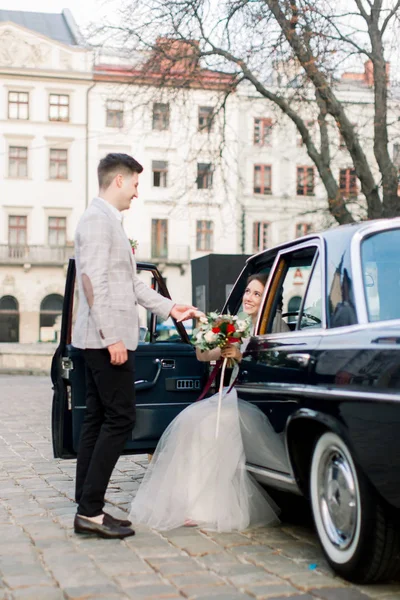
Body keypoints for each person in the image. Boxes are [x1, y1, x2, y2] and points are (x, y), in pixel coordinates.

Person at [72, 153, 197, 539]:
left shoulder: (109, 220)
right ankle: (90, 511)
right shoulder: (97, 220)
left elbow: (131, 285)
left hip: (99, 339)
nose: (138, 193)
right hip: (106, 339)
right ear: (120, 181)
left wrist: (171, 307)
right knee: (120, 418)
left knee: (97, 418)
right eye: (137, 184)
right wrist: (113, 337)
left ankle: (86, 506)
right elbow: (92, 281)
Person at [129, 273, 281, 532]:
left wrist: (241, 357)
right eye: (247, 291)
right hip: (231, 396)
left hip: (258, 400)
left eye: (257, 294)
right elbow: (202, 355)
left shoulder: (275, 328)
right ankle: (188, 504)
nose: (249, 298)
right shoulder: (236, 324)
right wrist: (206, 327)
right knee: (191, 421)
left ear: (268, 298)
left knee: (209, 427)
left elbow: (277, 367)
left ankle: (206, 508)